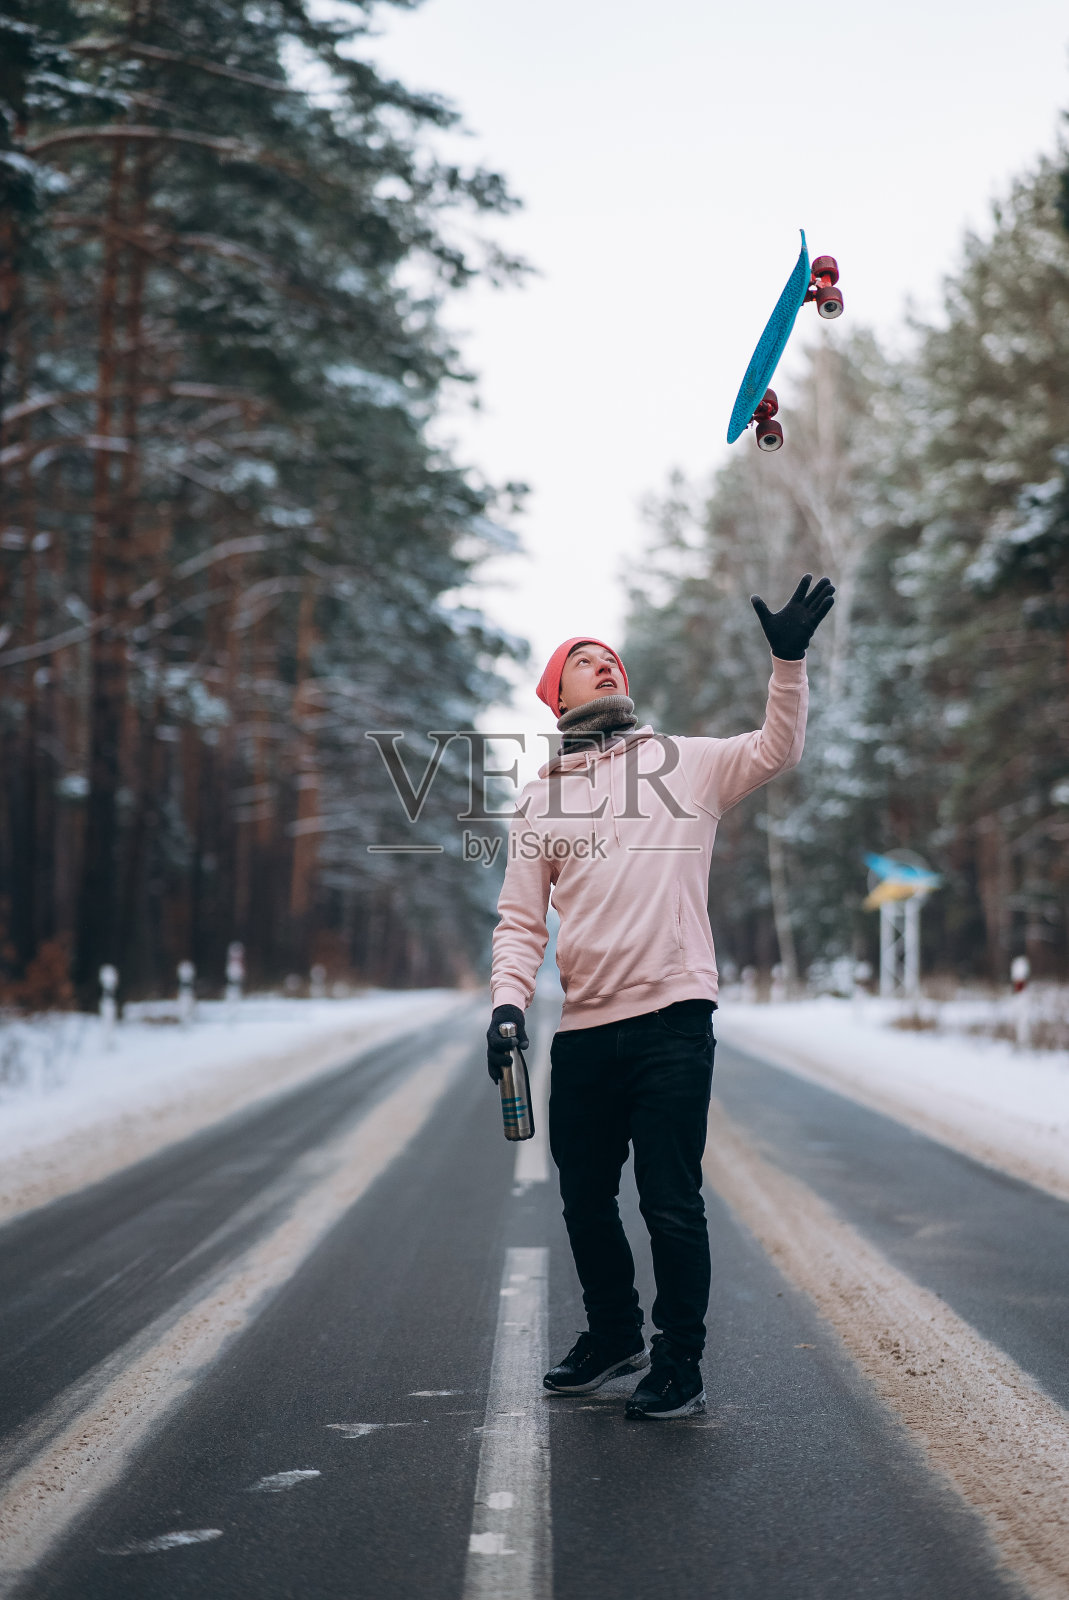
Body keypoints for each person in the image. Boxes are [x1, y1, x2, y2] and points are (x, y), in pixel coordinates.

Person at [486, 575, 834, 1419]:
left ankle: (679, 1359)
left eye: (610, 658)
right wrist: (506, 1004)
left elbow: (775, 750)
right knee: (582, 1197)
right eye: (584, 661)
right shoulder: (539, 803)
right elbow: (519, 923)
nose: (604, 666)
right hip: (585, 1030)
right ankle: (613, 1334)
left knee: (669, 1200)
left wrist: (786, 662)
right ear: (554, 695)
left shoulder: (684, 762)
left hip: (675, 1019)